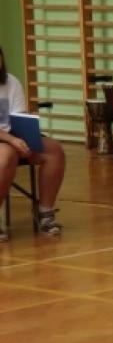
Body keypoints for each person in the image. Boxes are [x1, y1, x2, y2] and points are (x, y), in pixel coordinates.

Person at [0, 46, 67, 240]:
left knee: (54, 151)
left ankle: (45, 213)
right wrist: (12, 139)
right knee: (6, 156)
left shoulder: (11, 82)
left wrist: (27, 130)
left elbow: (17, 116)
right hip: (7, 141)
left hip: (12, 136)